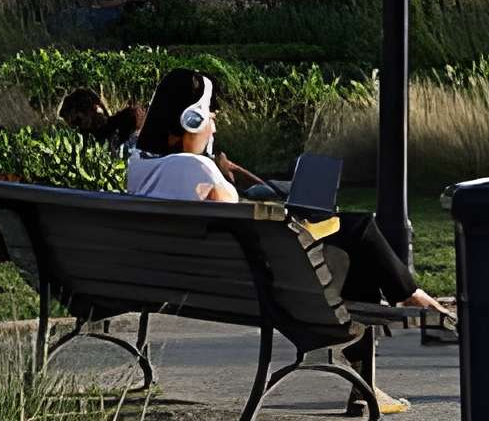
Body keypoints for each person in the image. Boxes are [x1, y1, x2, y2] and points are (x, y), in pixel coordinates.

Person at [128, 67, 452, 334]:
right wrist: (221, 176)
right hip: (258, 279)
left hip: (192, 280)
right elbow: (247, 228)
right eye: (210, 115)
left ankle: (398, 318)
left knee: (352, 239)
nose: (214, 125)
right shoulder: (195, 167)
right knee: (360, 229)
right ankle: (412, 300)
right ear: (191, 120)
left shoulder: (139, 166)